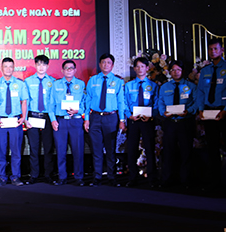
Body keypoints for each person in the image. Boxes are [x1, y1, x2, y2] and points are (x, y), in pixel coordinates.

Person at [196, 38, 226, 190]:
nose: (213, 52)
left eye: (216, 49)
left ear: (222, 50)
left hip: (224, 112)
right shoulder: (205, 70)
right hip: (208, 112)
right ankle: (215, 183)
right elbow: (200, 91)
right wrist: (200, 109)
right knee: (212, 148)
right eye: (210, 49)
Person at [84, 53, 126, 186]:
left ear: (112, 65)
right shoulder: (93, 80)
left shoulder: (118, 81)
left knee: (110, 149)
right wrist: (86, 118)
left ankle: (111, 177)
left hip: (111, 118)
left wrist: (122, 120)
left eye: (108, 63)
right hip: (95, 117)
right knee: (96, 149)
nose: (105, 65)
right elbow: (87, 100)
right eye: (103, 62)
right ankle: (97, 177)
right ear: (99, 64)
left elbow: (121, 102)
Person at [157, 61, 197, 188]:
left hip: (185, 122)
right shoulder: (165, 87)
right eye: (173, 70)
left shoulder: (191, 86)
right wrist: (163, 112)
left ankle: (186, 180)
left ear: (182, 71)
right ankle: (167, 179)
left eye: (178, 69)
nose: (176, 72)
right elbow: (160, 102)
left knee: (186, 152)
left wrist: (188, 111)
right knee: (168, 152)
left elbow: (196, 102)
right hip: (170, 123)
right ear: (169, 72)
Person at [49, 59, 86, 186]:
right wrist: (53, 119)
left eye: (71, 68)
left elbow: (85, 103)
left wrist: (78, 110)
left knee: (78, 150)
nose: (69, 70)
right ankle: (62, 177)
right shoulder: (56, 84)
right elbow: (50, 103)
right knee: (61, 151)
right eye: (66, 68)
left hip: (76, 121)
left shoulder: (81, 84)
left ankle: (79, 177)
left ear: (75, 70)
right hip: (61, 121)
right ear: (62, 70)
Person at [0, 57, 28, 187]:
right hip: (1, 122)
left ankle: (15, 177)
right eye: (5, 66)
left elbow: (24, 101)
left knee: (16, 151)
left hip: (15, 121)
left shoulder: (20, 84)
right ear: (1, 68)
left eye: (10, 66)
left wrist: (24, 117)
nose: (8, 69)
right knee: (1, 151)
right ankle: (2, 177)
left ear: (14, 68)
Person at [124, 57, 159, 187]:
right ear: (134, 69)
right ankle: (132, 178)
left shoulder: (153, 86)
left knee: (149, 149)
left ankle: (151, 178)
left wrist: (151, 115)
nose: (140, 69)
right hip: (133, 120)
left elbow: (156, 104)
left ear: (147, 68)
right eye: (137, 66)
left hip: (147, 120)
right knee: (132, 149)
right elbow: (124, 103)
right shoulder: (129, 85)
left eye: (142, 66)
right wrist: (129, 116)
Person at [24, 55, 55, 184]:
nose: (41, 67)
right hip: (33, 116)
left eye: (44, 64)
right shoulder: (28, 81)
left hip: (47, 117)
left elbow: (54, 102)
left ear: (47, 66)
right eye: (39, 64)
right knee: (34, 148)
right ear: (35, 65)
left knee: (48, 147)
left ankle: (48, 174)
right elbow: (25, 101)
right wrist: (25, 119)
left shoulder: (53, 81)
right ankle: (34, 175)